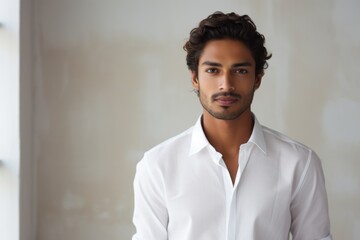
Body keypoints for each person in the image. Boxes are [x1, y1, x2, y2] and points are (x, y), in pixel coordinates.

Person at [132, 11, 332, 240]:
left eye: (240, 71)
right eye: (212, 70)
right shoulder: (157, 166)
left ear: (257, 78)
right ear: (195, 78)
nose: (226, 84)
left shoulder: (299, 163)